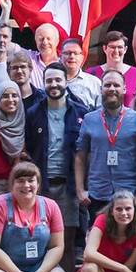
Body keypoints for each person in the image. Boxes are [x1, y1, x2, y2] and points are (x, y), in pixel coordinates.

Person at [27, 63, 90, 250]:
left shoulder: (81, 112)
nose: (53, 84)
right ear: (43, 83)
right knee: (40, 239)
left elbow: (86, 152)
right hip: (41, 186)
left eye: (57, 80)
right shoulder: (33, 113)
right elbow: (29, 149)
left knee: (67, 242)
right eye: (49, 81)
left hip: (69, 187)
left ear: (65, 82)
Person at [77, 70, 136, 231]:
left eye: (116, 85)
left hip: (129, 191)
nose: (112, 88)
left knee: (129, 242)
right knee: (98, 241)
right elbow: (80, 156)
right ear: (101, 89)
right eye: (107, 85)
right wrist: (80, 190)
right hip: (97, 192)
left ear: (125, 89)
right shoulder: (89, 119)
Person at [0, 83, 29, 197]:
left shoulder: (27, 122)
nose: (10, 99)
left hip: (16, 185)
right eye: (5, 96)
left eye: (14, 95)